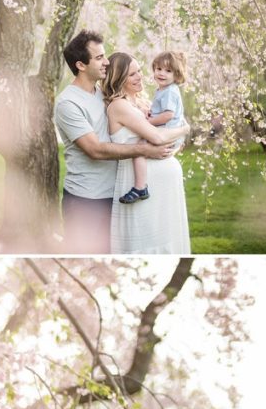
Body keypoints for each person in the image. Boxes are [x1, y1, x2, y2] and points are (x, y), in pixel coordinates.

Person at [53, 30, 173, 253]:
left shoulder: (104, 94)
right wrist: (144, 149)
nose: (106, 62)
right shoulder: (67, 103)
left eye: (104, 56)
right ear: (80, 64)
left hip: (117, 192)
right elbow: (94, 149)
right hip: (87, 200)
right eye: (99, 58)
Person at [105, 53, 191, 255]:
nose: (139, 77)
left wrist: (175, 142)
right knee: (145, 240)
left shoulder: (143, 103)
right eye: (132, 74)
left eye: (139, 72)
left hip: (164, 185)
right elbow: (158, 137)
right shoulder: (119, 106)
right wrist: (185, 129)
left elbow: (167, 129)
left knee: (167, 238)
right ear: (119, 78)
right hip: (136, 182)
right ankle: (140, 189)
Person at [123, 51, 188, 206]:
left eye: (168, 71)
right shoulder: (163, 90)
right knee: (140, 147)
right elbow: (162, 112)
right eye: (158, 69)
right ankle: (141, 186)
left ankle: (140, 187)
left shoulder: (170, 91)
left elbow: (167, 115)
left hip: (167, 133)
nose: (161, 73)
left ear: (176, 75)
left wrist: (148, 122)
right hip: (167, 132)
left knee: (138, 150)